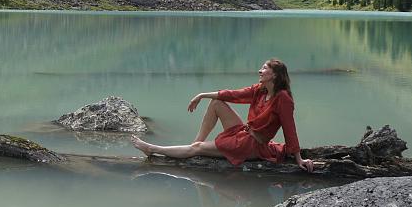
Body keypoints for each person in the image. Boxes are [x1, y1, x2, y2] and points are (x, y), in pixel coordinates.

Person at [131, 59, 315, 172]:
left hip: (252, 145)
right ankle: (195, 144)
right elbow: (232, 94)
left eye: (264, 69)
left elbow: (290, 129)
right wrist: (202, 95)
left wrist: (299, 158)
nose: (260, 71)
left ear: (275, 75)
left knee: (197, 149)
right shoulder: (260, 90)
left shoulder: (283, 98)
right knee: (217, 103)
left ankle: (154, 149)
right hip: (245, 133)